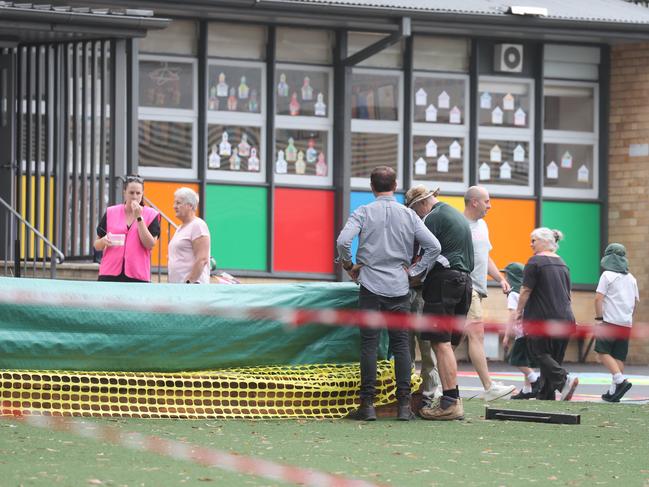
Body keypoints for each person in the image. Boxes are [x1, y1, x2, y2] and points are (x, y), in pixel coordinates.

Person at [336, 167, 441, 422]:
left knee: (369, 346)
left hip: (370, 285)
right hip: (399, 286)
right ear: (395, 185)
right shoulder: (408, 214)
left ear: (372, 187)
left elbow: (342, 241)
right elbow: (434, 247)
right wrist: (414, 271)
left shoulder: (362, 212)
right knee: (401, 345)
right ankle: (404, 407)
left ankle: (368, 405)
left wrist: (349, 266)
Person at [409, 185, 473, 421]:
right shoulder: (452, 212)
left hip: (444, 282)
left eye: (414, 212)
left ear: (419, 205)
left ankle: (449, 402)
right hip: (464, 282)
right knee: (447, 345)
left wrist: (412, 272)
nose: (415, 217)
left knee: (440, 344)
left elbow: (426, 251)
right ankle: (451, 398)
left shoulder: (431, 218)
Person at [463, 186, 516, 401]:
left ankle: (437, 385)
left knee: (452, 340)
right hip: (466, 288)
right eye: (487, 201)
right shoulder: (459, 225)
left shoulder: (483, 225)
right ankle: (489, 387)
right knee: (477, 334)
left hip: (478, 289)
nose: (490, 206)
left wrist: (501, 279)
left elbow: (486, 257)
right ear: (474, 202)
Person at [515, 228, 579, 401]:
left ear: (545, 241)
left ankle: (564, 380)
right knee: (553, 359)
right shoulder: (563, 263)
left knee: (538, 353)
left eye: (533, 240)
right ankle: (546, 395)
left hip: (541, 317)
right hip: (565, 317)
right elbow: (569, 293)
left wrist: (518, 312)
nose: (530, 244)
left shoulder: (535, 262)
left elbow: (526, 290)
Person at [405, 185, 443, 407]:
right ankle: (408, 392)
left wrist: (414, 273)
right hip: (409, 289)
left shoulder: (434, 222)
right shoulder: (412, 224)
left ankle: (428, 394)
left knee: (427, 347)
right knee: (405, 346)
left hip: (424, 290)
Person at [94, 175, 160, 283]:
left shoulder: (151, 215)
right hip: (109, 273)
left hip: (137, 275)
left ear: (142, 194)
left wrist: (139, 218)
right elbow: (96, 245)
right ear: (124, 192)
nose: (134, 197)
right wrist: (103, 241)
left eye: (138, 193)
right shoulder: (111, 212)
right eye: (131, 192)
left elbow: (150, 244)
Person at [594, 243, 639, 402]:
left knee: (602, 352)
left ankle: (620, 381)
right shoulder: (632, 278)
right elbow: (635, 302)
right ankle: (614, 391)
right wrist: (627, 318)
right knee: (618, 355)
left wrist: (599, 319)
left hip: (609, 321)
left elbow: (599, 298)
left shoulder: (607, 275)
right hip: (626, 323)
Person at [501, 262, 540, 400]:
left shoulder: (513, 293)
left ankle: (535, 380)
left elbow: (512, 314)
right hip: (532, 330)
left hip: (521, 333)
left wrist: (506, 336)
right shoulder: (527, 291)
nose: (504, 278)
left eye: (506, 275)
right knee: (527, 361)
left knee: (516, 359)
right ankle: (527, 389)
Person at [168, 187, 211, 284]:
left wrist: (189, 281)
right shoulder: (180, 228)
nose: (174, 206)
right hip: (179, 288)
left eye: (178, 203)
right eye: (175, 203)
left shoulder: (198, 225)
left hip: (192, 288)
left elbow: (202, 259)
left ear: (190, 206)